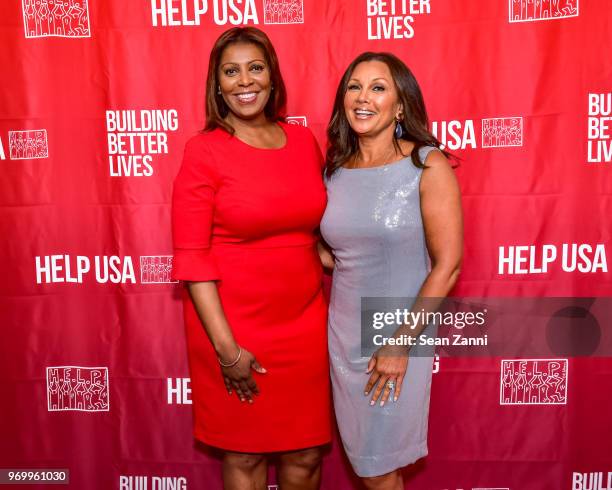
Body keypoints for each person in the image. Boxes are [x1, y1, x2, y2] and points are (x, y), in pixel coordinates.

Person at [171, 27, 331, 489]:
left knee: (306, 456)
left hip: (304, 325)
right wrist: (227, 351)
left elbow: (312, 231)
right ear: (217, 84)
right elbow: (193, 258)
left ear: (272, 76)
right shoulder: (203, 151)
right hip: (232, 327)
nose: (245, 81)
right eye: (231, 71)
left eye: (255, 68)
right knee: (245, 457)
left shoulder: (302, 141)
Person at [319, 52, 463, 489]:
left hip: (400, 334)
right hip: (344, 335)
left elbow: (448, 265)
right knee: (369, 467)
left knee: (380, 470)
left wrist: (400, 346)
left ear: (401, 105)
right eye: (354, 87)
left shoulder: (426, 165)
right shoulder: (335, 171)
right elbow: (338, 253)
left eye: (378, 87)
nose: (363, 98)